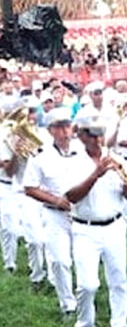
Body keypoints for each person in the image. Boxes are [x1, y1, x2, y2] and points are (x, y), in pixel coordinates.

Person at [65, 114, 127, 327]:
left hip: (114, 225)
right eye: (93, 136)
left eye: (101, 135)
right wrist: (96, 174)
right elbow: (72, 196)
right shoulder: (73, 162)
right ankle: (85, 326)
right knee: (87, 285)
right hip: (85, 228)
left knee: (118, 279)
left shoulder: (116, 158)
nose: (98, 140)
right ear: (82, 136)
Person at [22, 106, 79, 315]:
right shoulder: (41, 156)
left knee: (82, 260)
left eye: (67, 126)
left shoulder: (82, 150)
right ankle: (68, 305)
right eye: (58, 127)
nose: (64, 131)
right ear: (50, 130)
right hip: (55, 214)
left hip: (82, 213)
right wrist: (56, 200)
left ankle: (84, 296)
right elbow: (30, 187)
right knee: (61, 261)